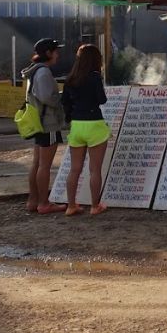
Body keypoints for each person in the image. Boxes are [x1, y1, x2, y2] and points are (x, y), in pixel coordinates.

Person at [60, 43, 110, 216]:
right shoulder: (95, 77)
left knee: (75, 169)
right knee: (95, 169)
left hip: (77, 124)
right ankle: (95, 206)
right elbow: (102, 100)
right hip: (94, 124)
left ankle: (71, 205)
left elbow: (64, 101)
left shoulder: (71, 78)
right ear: (96, 60)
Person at [19, 38, 66, 214]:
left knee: (37, 163)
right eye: (55, 51)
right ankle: (44, 203)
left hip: (39, 121)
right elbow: (47, 97)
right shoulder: (44, 73)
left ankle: (33, 200)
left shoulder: (34, 71)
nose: (58, 54)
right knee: (44, 165)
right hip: (49, 123)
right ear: (48, 53)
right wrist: (62, 99)